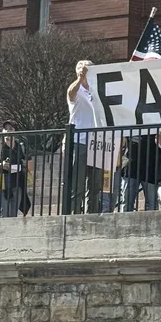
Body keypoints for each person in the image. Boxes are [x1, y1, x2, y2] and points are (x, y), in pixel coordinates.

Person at [66, 60, 105, 214]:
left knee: (95, 186)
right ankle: (74, 216)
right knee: (78, 184)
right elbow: (70, 93)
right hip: (80, 141)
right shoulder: (77, 90)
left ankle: (92, 215)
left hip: (97, 143)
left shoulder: (98, 90)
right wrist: (80, 79)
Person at [0, 120, 29, 217]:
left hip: (17, 184)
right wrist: (0, 165)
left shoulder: (20, 147)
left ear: (15, 132)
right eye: (5, 128)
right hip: (1, 184)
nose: (7, 131)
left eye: (10, 128)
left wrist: (17, 167)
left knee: (13, 216)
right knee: (3, 213)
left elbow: (29, 166)